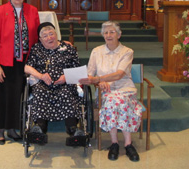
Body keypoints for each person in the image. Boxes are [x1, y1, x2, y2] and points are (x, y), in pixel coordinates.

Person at [79, 21, 142, 162]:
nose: (108, 35)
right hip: (104, 92)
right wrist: (99, 82)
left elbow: (119, 74)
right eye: (106, 32)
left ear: (119, 35)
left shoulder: (127, 52)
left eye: (112, 32)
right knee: (113, 101)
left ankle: (127, 144)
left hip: (125, 88)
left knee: (121, 100)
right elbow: (89, 74)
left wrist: (99, 78)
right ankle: (115, 143)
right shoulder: (96, 51)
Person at [0, 0, 40, 145]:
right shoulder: (0, 12)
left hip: (25, 62)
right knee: (3, 96)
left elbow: (38, 38)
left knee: (18, 96)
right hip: (5, 62)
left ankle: (13, 128)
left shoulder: (32, 11)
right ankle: (0, 130)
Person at [24, 22, 84, 144]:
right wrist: (40, 75)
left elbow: (78, 69)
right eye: (45, 36)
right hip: (43, 83)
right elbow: (27, 67)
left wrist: (66, 77)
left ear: (56, 34)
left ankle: (72, 128)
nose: (49, 37)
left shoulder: (68, 48)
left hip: (64, 83)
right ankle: (40, 128)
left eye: (51, 34)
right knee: (39, 92)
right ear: (40, 39)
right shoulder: (36, 49)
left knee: (67, 92)